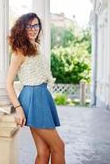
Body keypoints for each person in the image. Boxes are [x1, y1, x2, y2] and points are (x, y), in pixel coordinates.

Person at [6, 12, 65, 164]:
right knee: (59, 146)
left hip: (41, 96)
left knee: (44, 152)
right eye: (29, 26)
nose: (33, 29)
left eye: (36, 25)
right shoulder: (19, 51)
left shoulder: (35, 46)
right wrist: (18, 108)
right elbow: (8, 83)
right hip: (33, 98)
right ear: (22, 28)